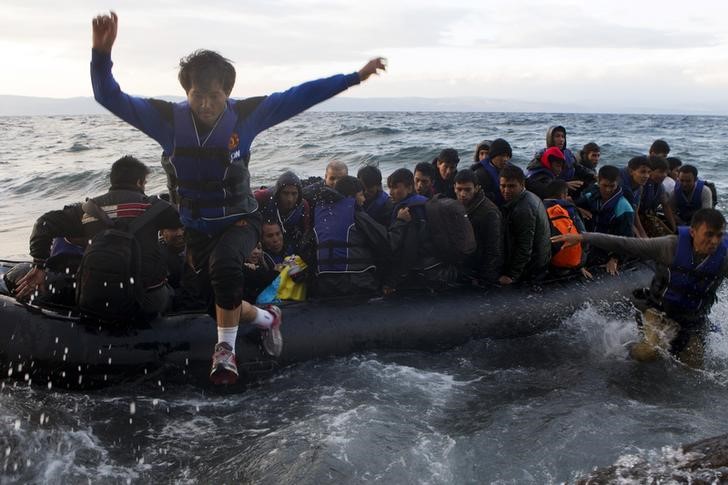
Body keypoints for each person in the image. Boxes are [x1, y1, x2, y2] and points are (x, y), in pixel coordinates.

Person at [91, 12, 386, 384]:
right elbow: (108, 96)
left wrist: (354, 77)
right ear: (186, 93)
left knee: (227, 267)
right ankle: (267, 317)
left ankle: (225, 353)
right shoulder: (165, 119)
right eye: (198, 95)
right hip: (197, 227)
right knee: (217, 302)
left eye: (214, 96)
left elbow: (300, 96)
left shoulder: (246, 116)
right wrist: (101, 54)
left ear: (227, 93)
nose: (206, 104)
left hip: (241, 220)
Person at [552, 208, 728, 368]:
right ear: (693, 232)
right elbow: (625, 244)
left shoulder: (724, 258)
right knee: (649, 352)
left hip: (692, 318)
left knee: (693, 365)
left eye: (719, 236)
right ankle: (624, 354)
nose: (714, 241)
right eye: (709, 235)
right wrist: (583, 237)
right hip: (658, 309)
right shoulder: (668, 246)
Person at [15, 156, 181, 317]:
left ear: (113, 180)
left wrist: (39, 265)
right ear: (139, 182)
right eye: (144, 182)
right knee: (172, 292)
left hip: (94, 298)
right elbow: (190, 220)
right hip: (144, 302)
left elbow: (43, 224)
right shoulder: (155, 207)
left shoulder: (86, 210)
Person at [310, 176, 390, 296]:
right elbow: (386, 241)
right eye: (361, 195)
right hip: (355, 282)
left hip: (324, 283)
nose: (364, 199)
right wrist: (401, 221)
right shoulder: (356, 214)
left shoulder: (320, 213)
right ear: (351, 197)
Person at [385, 168, 457, 291]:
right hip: (436, 263)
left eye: (395, 187)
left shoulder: (407, 210)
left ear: (409, 187)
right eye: (389, 187)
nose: (390, 192)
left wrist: (395, 279)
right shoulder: (424, 202)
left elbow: (409, 247)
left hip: (421, 270)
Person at [576, 165, 635, 275]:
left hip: (608, 247)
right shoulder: (590, 194)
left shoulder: (624, 208)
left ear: (618, 182)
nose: (608, 190)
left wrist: (615, 259)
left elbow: (626, 238)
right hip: (587, 241)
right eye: (604, 185)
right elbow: (574, 204)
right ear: (598, 181)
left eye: (612, 186)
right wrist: (578, 209)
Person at [498, 165, 551, 285]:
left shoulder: (524, 209)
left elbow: (525, 246)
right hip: (541, 258)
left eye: (511, 186)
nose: (506, 190)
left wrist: (512, 275)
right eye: (503, 186)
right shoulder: (529, 197)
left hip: (534, 267)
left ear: (522, 184)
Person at [453, 169, 502, 285]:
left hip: (480, 270)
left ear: (477, 188)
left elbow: (494, 249)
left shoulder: (489, 212)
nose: (463, 194)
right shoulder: (457, 205)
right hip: (466, 265)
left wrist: (485, 278)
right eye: (459, 189)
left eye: (467, 190)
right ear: (454, 187)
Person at [256, 171, 311, 255]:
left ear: (299, 194)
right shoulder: (263, 197)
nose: (290, 199)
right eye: (285, 193)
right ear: (278, 193)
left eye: (294, 194)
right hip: (262, 245)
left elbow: (305, 234)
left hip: (286, 244)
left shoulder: (303, 206)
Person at [542, 179, 588, 274]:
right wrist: (581, 264)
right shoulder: (569, 208)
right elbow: (584, 235)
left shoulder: (540, 208)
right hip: (574, 261)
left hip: (551, 263)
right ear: (564, 195)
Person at [639, 156, 677, 237]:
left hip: (650, 216)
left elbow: (666, 206)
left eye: (666, 172)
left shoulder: (660, 186)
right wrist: (643, 235)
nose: (664, 175)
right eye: (660, 172)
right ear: (650, 171)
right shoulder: (641, 185)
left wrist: (674, 228)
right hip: (638, 217)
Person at [471, 138, 513, 207]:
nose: (505, 159)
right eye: (502, 156)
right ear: (493, 156)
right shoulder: (480, 174)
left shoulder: (511, 169)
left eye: (507, 156)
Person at [619, 156, 652, 238]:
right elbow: (626, 215)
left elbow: (634, 212)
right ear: (631, 171)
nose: (646, 176)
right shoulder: (620, 185)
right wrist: (638, 234)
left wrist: (643, 235)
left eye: (649, 172)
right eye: (642, 172)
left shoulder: (639, 187)